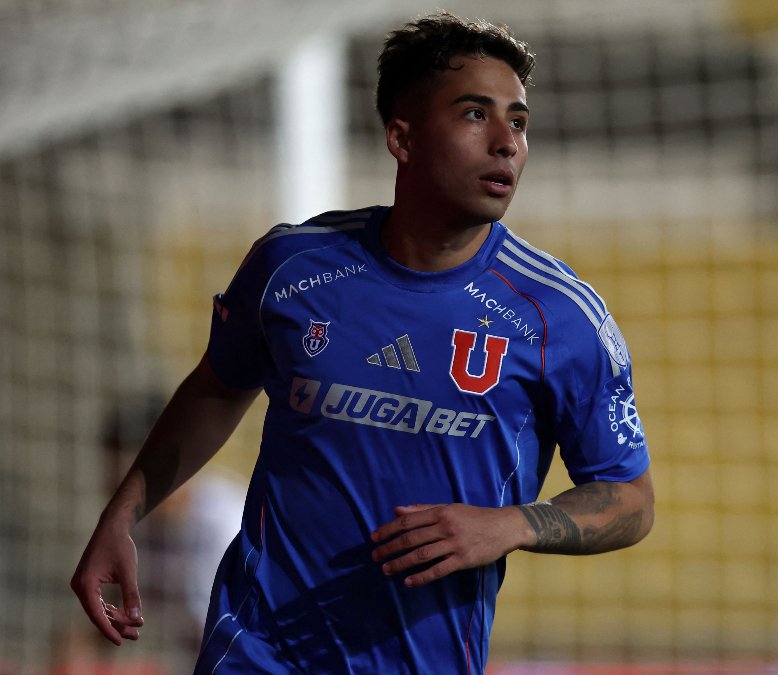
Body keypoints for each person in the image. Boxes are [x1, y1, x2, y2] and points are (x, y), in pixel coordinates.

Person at [70, 12, 654, 673]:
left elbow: (630, 498)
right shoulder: (291, 267)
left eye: (518, 122)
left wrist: (513, 524)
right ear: (401, 137)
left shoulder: (559, 318)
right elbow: (216, 387)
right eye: (475, 114)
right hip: (256, 650)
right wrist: (122, 514)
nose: (506, 143)